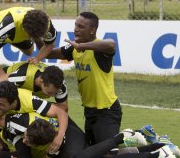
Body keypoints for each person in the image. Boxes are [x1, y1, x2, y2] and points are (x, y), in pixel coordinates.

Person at [43, 12, 122, 147]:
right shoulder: (73, 48)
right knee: (91, 150)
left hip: (106, 110)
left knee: (107, 154)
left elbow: (111, 44)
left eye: (81, 26)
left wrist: (81, 46)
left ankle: (140, 136)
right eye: (75, 25)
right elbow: (48, 52)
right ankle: (131, 137)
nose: (75, 29)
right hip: (89, 111)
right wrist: (40, 37)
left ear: (92, 30)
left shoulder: (99, 48)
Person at [9, 119, 179, 158]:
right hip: (66, 141)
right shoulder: (33, 131)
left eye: (27, 140)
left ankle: (122, 136)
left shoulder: (45, 131)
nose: (24, 142)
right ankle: (159, 149)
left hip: (72, 134)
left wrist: (59, 137)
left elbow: (62, 112)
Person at [0, 62, 68, 111]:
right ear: (41, 82)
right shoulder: (20, 78)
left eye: (55, 93)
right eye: (50, 92)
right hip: (7, 77)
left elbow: (63, 107)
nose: (53, 96)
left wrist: (42, 105)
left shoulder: (60, 84)